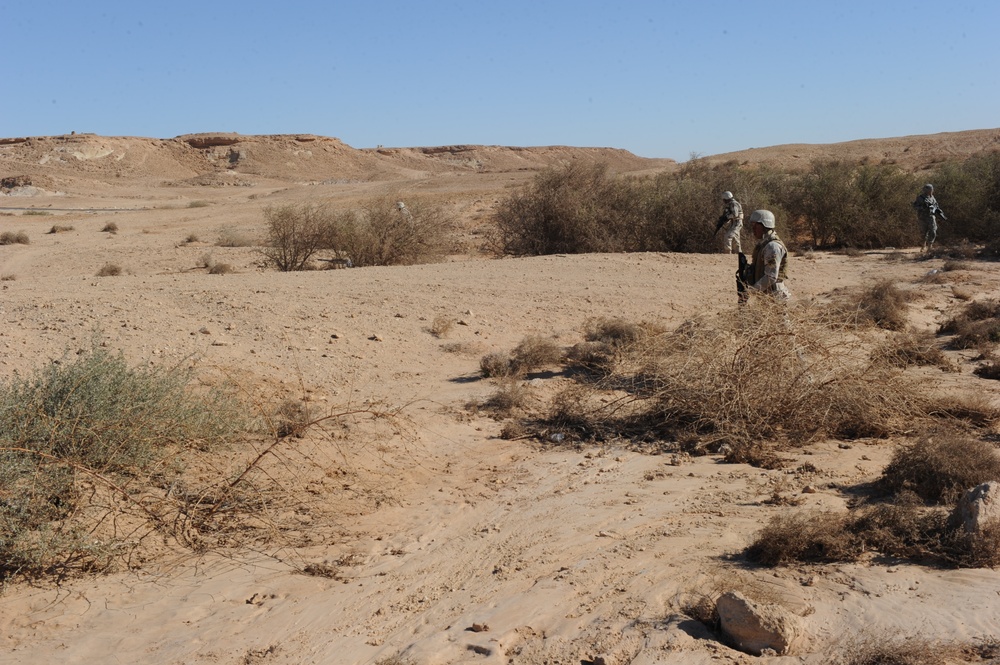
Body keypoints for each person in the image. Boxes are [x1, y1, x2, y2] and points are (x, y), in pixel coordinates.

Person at [739, 209, 790, 303]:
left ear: (765, 225)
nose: (753, 229)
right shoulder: (764, 245)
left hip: (774, 297)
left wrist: (751, 292)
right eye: (752, 225)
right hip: (766, 294)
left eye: (755, 225)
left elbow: (771, 277)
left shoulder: (772, 246)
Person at [912, 183, 946, 252]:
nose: (932, 191)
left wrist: (940, 212)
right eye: (930, 189)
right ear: (926, 190)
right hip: (922, 217)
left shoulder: (932, 197)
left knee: (933, 231)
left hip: (931, 217)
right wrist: (922, 207)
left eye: (932, 189)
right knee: (923, 232)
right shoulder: (920, 198)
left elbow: (936, 206)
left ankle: (930, 245)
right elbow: (914, 206)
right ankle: (923, 245)